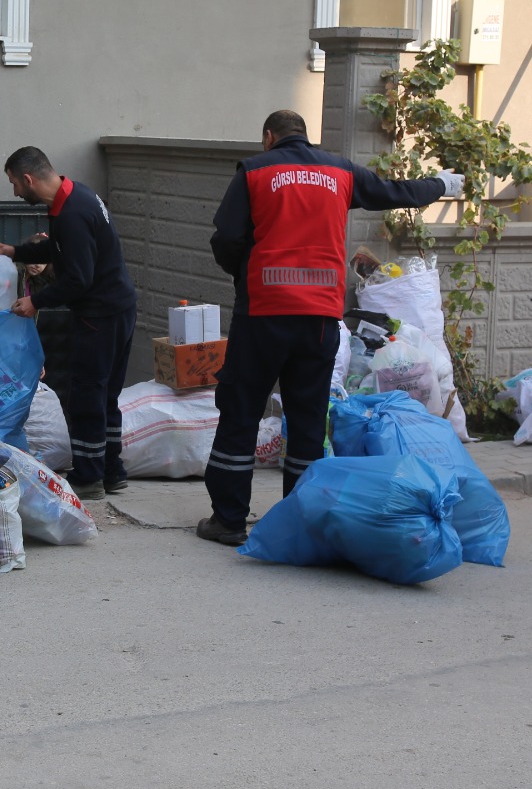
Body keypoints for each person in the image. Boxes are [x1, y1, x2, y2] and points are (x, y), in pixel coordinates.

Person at [198, 108, 462, 545]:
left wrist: (244, 276)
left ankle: (227, 520)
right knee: (306, 418)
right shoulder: (339, 172)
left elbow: (225, 237)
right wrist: (442, 185)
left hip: (263, 313)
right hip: (319, 319)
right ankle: (299, 520)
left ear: (269, 137)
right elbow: (392, 192)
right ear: (306, 137)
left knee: (241, 409)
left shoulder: (255, 172)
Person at [0, 147, 137, 500]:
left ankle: (88, 477)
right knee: (106, 396)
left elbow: (78, 279)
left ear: (28, 179)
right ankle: (111, 470)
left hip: (99, 315)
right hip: (119, 308)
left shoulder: (72, 213)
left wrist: (35, 301)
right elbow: (62, 251)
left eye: (14, 184)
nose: (14, 192)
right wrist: (16, 251)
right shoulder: (76, 196)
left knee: (88, 395)